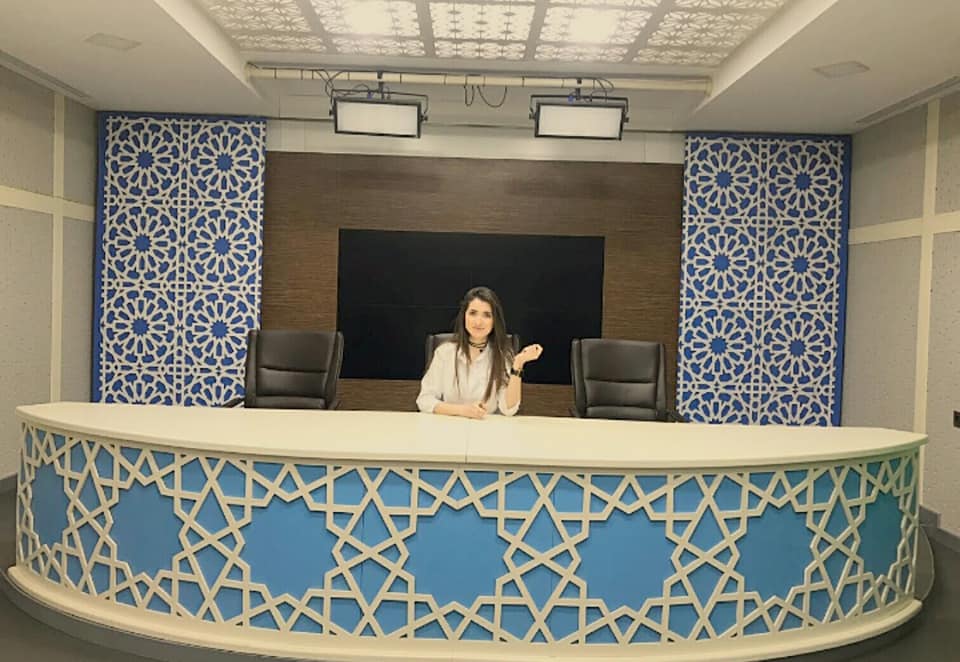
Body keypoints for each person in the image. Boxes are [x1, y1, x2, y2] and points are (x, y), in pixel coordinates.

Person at [416, 286, 543, 419]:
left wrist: (518, 364)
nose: (478, 321)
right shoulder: (444, 353)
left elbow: (509, 409)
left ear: (494, 321)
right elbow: (424, 400)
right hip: (449, 426)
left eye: (487, 315)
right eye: (473, 313)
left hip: (486, 427)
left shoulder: (502, 355)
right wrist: (462, 410)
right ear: (464, 316)